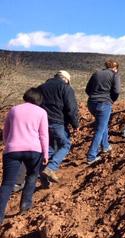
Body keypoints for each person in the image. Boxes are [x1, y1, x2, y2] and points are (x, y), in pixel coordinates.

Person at [0, 88, 49, 225]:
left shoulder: (14, 110)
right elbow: (43, 135)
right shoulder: (42, 112)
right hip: (34, 150)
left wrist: (8, 144)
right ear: (39, 99)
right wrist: (45, 153)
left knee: (7, 183)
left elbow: (6, 131)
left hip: (12, 150)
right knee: (32, 176)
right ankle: (25, 206)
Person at [38, 70, 79, 183]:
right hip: (58, 121)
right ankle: (51, 168)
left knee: (49, 149)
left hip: (42, 122)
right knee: (65, 144)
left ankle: (41, 176)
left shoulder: (41, 87)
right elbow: (71, 109)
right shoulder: (65, 88)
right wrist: (75, 124)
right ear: (66, 79)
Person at [85, 59, 120, 165]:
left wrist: (94, 96)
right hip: (104, 103)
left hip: (91, 103)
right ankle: (91, 156)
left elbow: (87, 89)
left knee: (103, 124)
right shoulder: (115, 75)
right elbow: (117, 91)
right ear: (115, 67)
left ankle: (105, 146)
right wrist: (111, 100)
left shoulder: (96, 73)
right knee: (100, 129)